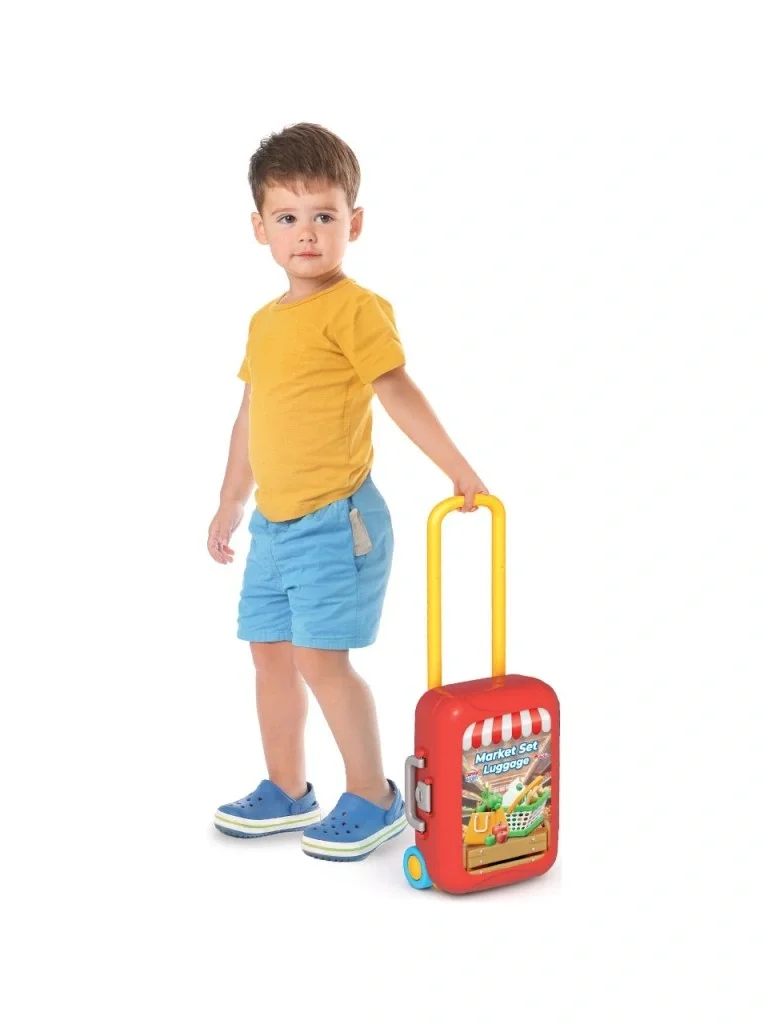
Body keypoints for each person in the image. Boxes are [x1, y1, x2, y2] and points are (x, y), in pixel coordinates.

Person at [208, 122, 487, 861]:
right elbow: (252, 413)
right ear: (260, 228)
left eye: (323, 215)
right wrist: (232, 499)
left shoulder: (355, 308)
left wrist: (458, 468)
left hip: (337, 523)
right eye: (287, 216)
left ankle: (373, 794)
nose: (306, 232)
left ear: (353, 223)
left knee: (321, 660)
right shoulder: (264, 323)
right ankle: (287, 787)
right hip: (274, 526)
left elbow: (397, 391)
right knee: (270, 653)